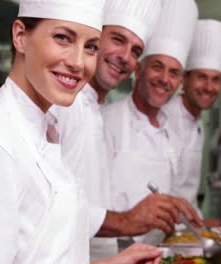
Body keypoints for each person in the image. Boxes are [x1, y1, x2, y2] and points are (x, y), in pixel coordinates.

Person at [0, 0, 161, 263]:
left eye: (90, 46)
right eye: (63, 38)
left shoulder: (45, 129)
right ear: (20, 36)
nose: (78, 63)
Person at [50, 0, 190, 260]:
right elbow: (44, 207)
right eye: (117, 39)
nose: (125, 57)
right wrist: (125, 221)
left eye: (136, 50)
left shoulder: (94, 111)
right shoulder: (62, 107)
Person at [102, 0, 200, 245]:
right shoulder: (106, 121)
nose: (164, 79)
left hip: (158, 251)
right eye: (158, 67)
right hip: (112, 253)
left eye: (174, 72)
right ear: (139, 69)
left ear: (180, 83)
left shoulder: (172, 131)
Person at [163, 19, 221, 227]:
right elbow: (164, 191)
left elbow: (186, 194)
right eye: (202, 77)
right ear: (185, 78)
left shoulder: (198, 122)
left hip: (184, 228)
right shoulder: (165, 118)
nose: (209, 87)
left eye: (216, 79)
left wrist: (200, 222)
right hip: (162, 231)